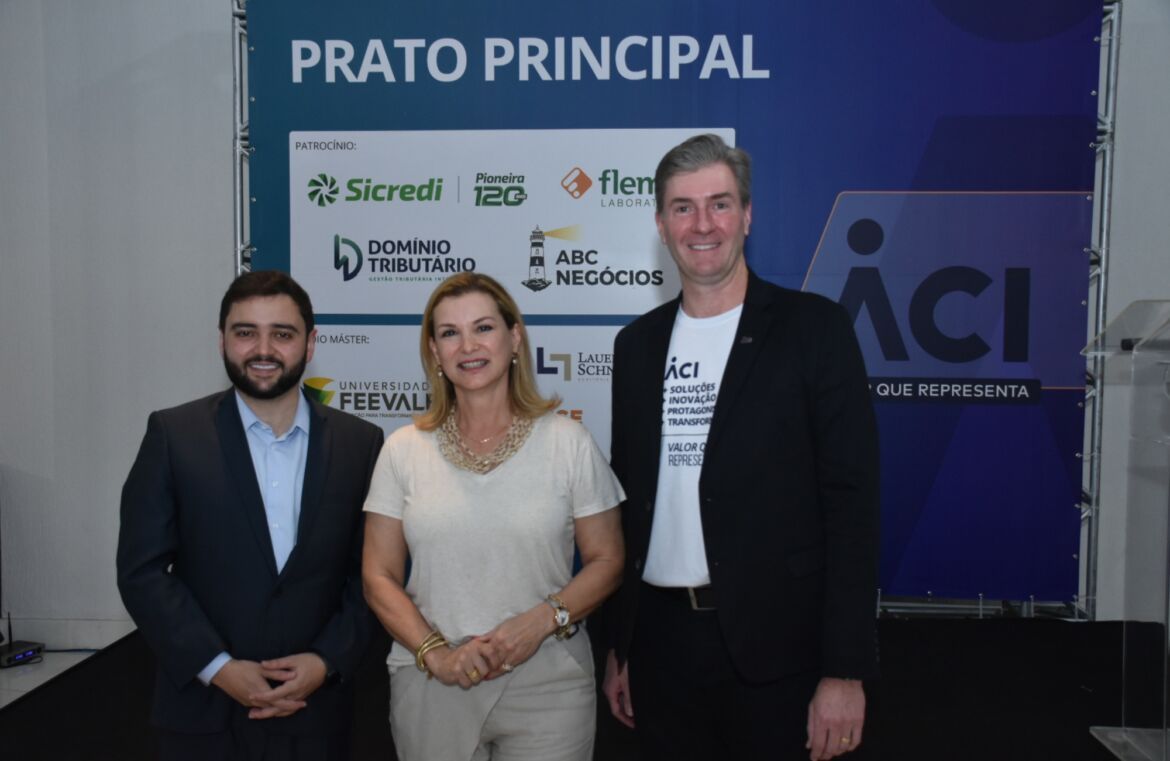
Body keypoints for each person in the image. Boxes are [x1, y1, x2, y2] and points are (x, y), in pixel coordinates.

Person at [600, 134, 880, 761]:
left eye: (720, 204)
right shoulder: (635, 347)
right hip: (660, 650)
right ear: (661, 225)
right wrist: (621, 645)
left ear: (747, 216)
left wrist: (845, 670)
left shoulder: (815, 330)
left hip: (779, 653)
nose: (703, 225)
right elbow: (630, 503)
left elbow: (853, 508)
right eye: (683, 208)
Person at [117, 270, 384, 760]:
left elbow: (373, 574)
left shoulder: (360, 443)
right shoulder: (174, 436)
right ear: (222, 341)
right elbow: (142, 572)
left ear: (310, 343)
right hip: (202, 714)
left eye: (282, 334)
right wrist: (217, 666)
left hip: (318, 714)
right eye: (246, 332)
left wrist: (326, 660)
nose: (263, 349)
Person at [362, 272, 625, 761]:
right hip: (433, 682)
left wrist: (540, 621)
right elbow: (377, 576)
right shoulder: (402, 451)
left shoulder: (569, 443)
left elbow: (608, 560)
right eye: (450, 333)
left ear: (514, 338)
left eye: (483, 328)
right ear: (434, 352)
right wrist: (437, 654)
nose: (468, 346)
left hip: (549, 683)